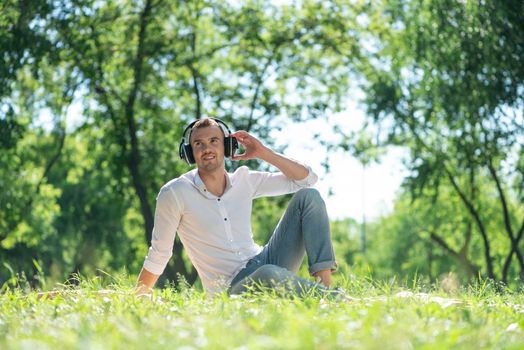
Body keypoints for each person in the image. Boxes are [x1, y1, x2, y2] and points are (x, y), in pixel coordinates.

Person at [135, 117, 339, 298]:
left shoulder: (245, 180)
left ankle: (326, 289)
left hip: (264, 259)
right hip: (230, 288)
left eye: (214, 141)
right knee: (267, 274)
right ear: (190, 153)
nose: (207, 148)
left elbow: (307, 180)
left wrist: (265, 153)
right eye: (198, 144)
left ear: (226, 146)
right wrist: (138, 296)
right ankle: (335, 299)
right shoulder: (175, 193)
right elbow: (159, 252)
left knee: (308, 198)